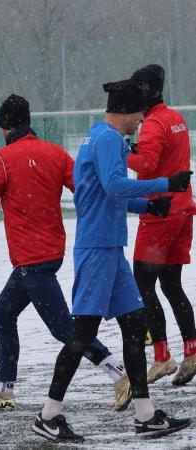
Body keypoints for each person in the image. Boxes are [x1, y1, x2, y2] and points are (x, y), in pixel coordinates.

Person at [31, 79, 192, 442]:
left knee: (135, 327)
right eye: (139, 114)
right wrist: (166, 183)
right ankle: (49, 414)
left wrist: (149, 205)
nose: (141, 121)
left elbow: (109, 195)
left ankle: (146, 415)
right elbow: (117, 186)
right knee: (82, 333)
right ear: (128, 110)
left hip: (109, 249)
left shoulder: (99, 136)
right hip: (98, 250)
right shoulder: (107, 139)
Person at [0, 94, 129, 412]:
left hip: (31, 258)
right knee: (3, 313)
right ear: (29, 122)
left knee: (64, 329)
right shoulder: (55, 154)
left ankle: (120, 375)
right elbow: (83, 187)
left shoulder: (2, 158)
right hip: (50, 252)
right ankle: (5, 391)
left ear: (5, 127)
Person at [127, 64, 196, 386]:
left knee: (142, 285)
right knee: (172, 285)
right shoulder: (176, 118)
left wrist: (122, 154)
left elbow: (147, 165)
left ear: (145, 91)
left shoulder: (153, 124)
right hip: (183, 211)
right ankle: (192, 351)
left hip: (161, 213)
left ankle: (161, 356)